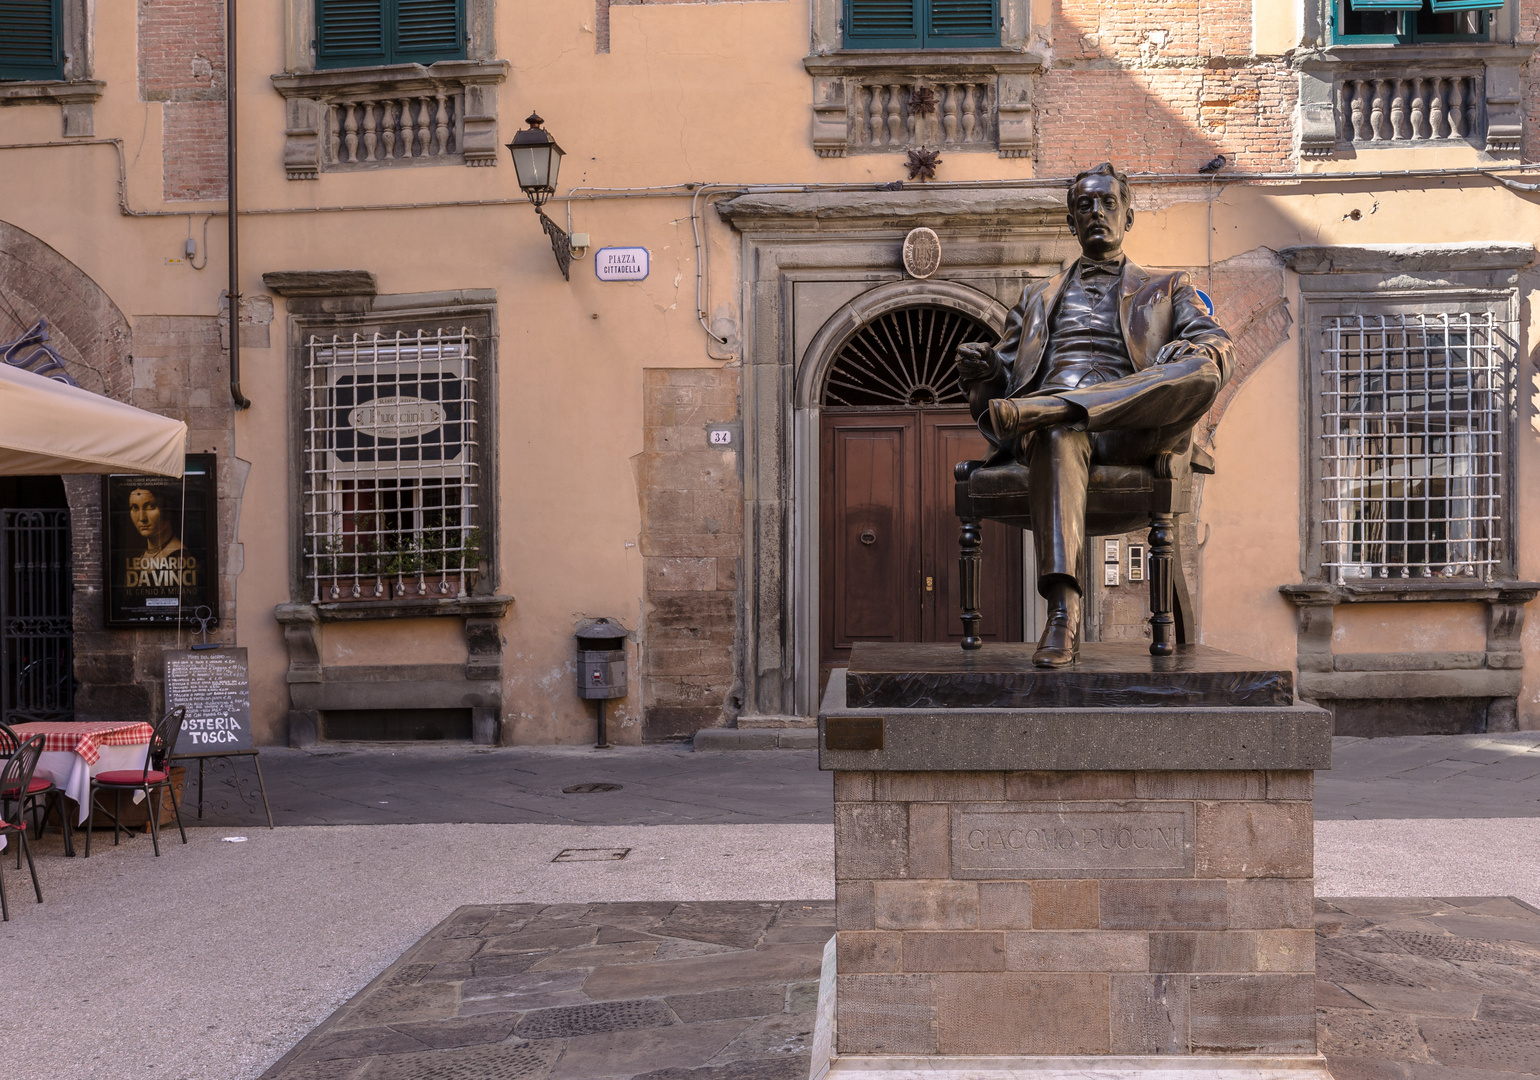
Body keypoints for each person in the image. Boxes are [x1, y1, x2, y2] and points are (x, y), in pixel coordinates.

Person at [955, 162, 1235, 667]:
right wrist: (982, 369)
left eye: (1108, 203)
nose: (1096, 212)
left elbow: (1216, 346)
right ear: (1071, 222)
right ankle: (1063, 613)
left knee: (1203, 371)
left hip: (1134, 428)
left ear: (1128, 216)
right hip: (1058, 437)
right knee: (1059, 432)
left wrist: (1193, 352)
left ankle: (1049, 409)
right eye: (1084, 205)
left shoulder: (1168, 288)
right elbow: (1000, 381)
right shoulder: (1036, 299)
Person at [127, 485, 183, 562]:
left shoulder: (179, 555)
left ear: (166, 509)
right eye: (135, 507)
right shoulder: (143, 553)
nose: (142, 518)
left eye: (150, 506)